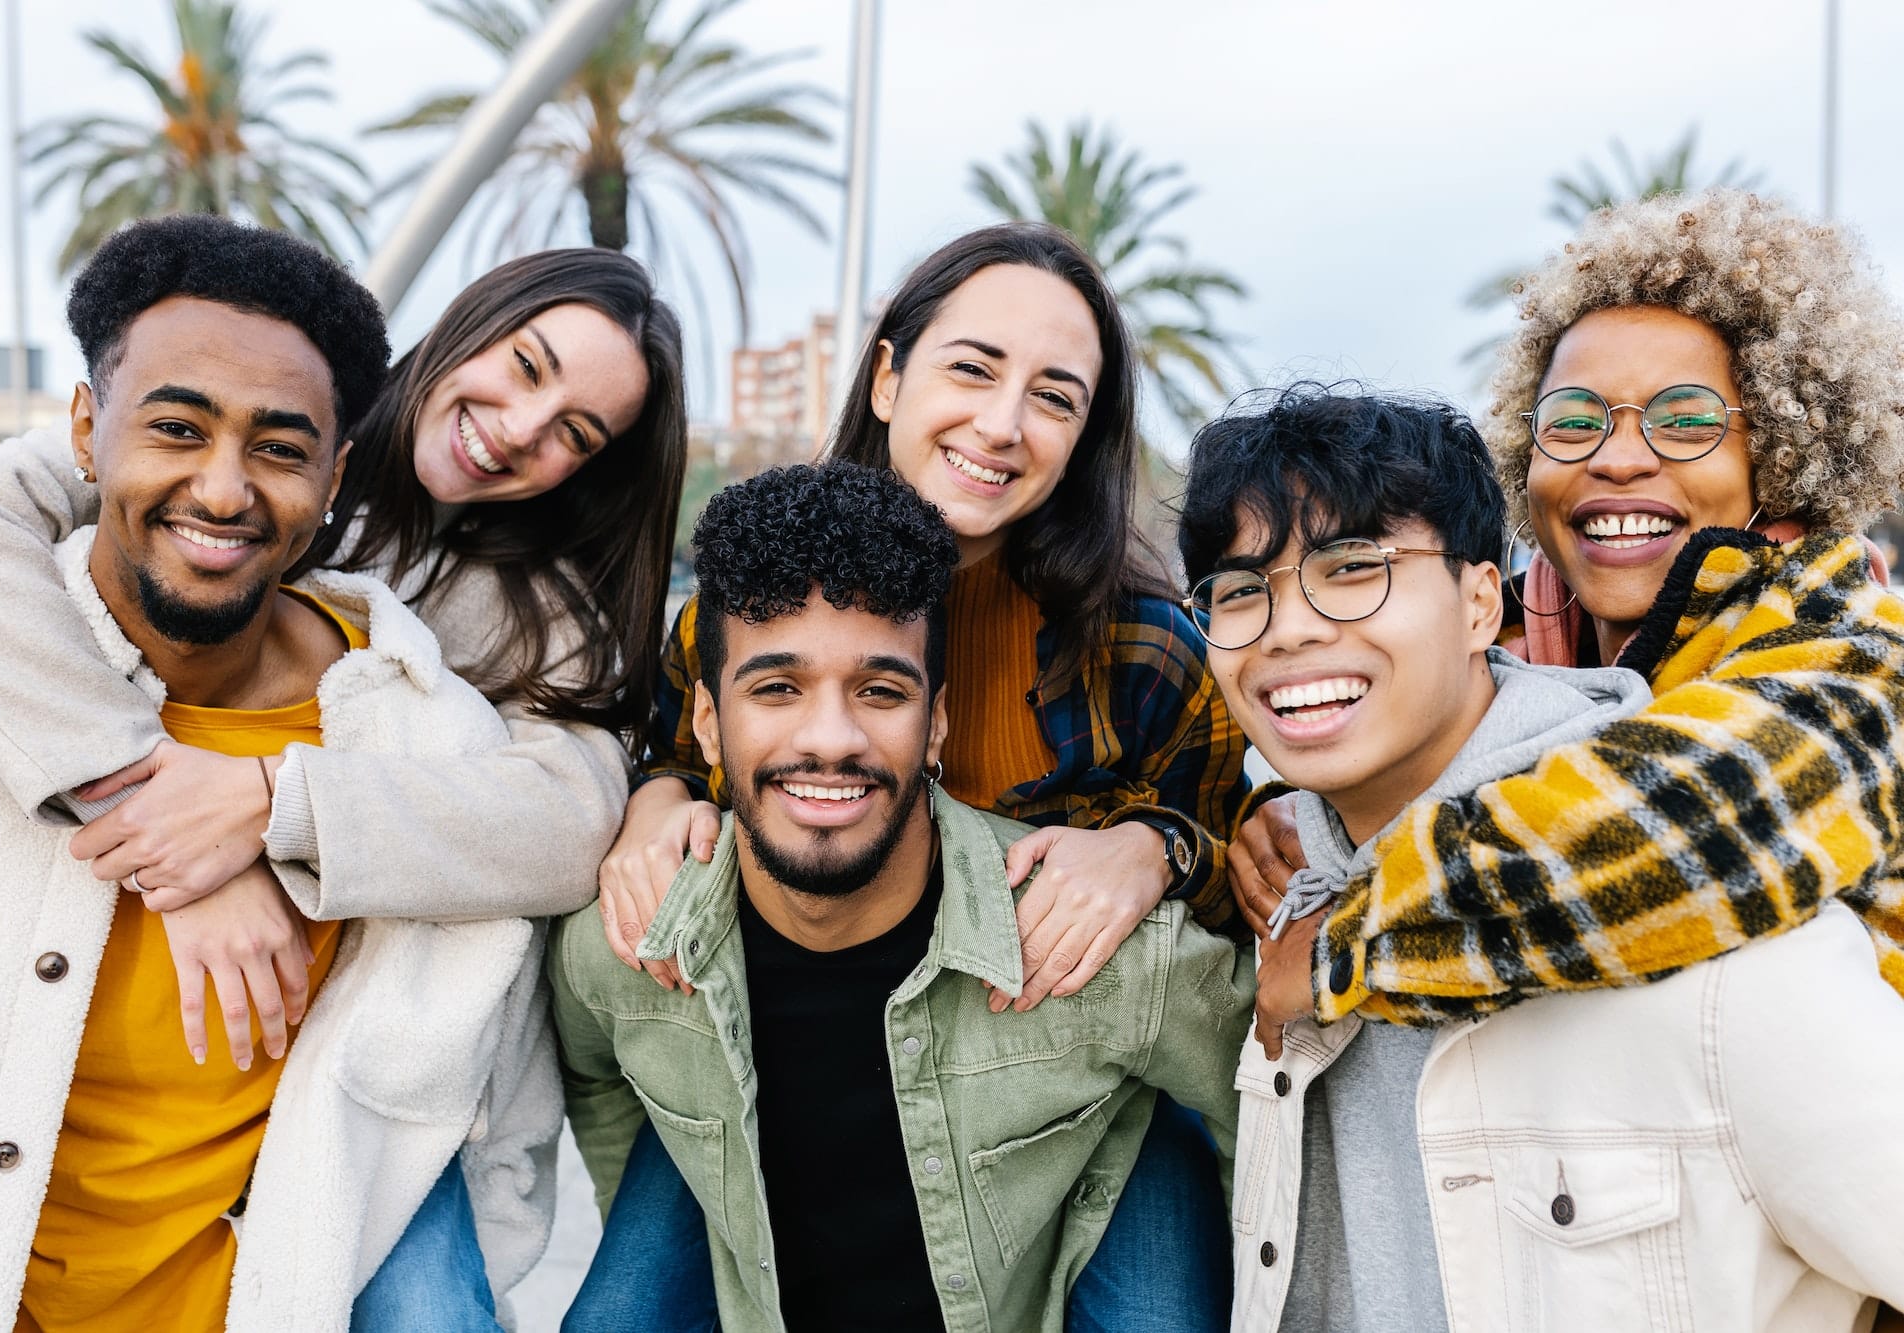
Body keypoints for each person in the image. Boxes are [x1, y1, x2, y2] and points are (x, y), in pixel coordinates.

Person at [0, 229, 688, 1322]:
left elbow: (565, 815)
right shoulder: (209, 422)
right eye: (524, 367)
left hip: (342, 1057)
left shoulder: (531, 616)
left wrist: (270, 803)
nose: (517, 430)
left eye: (573, 433)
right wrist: (166, 821)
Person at [580, 222, 1253, 1330]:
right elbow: (670, 738)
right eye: (973, 369)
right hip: (790, 1054)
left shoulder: (1145, 646)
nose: (1001, 424)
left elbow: (1232, 876)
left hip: (1058, 1093)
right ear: (888, 375)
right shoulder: (745, 597)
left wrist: (1151, 847)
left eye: (1054, 396)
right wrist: (656, 801)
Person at [1179, 384, 1904, 1331]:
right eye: (1240, 591)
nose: (1289, 628)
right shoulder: (1281, 900)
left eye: (1352, 566)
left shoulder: (1712, 940)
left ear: (1484, 599)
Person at [1224, 190, 1904, 1040]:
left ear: (1779, 450)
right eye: (1574, 421)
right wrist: (1300, 811)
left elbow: (1681, 830)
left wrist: (1342, 946)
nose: (1619, 458)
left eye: (1686, 420)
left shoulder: (1855, 658)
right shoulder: (1516, 626)